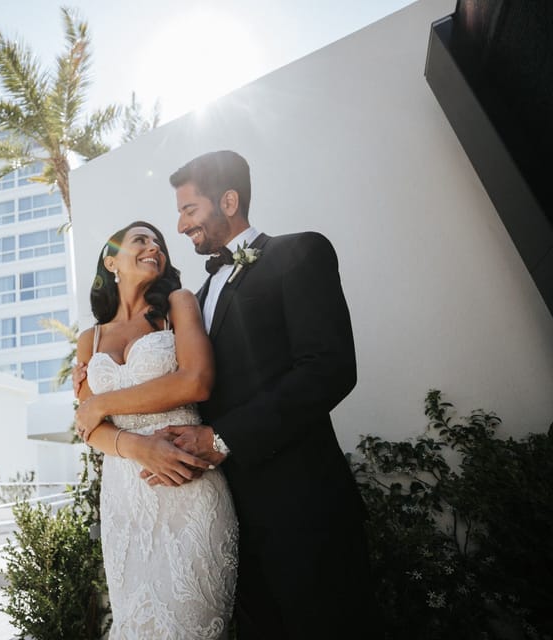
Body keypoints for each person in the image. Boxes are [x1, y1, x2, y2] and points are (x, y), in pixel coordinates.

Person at [76, 151, 372, 639]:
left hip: (300, 506)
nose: (180, 224)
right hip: (221, 506)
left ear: (228, 201)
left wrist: (223, 437)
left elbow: (328, 369)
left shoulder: (298, 253)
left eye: (189, 210)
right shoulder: (194, 293)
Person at [74, 220, 238, 639]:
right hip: (124, 500)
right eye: (140, 240)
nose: (154, 247)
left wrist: (102, 402)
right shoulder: (88, 341)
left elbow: (195, 380)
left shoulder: (178, 305)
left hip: (187, 483)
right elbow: (88, 428)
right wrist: (137, 447)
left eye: (159, 243)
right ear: (111, 261)